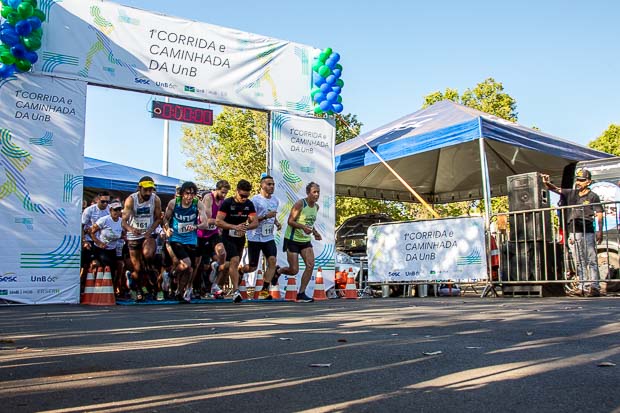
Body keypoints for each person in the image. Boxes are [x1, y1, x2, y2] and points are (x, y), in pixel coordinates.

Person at [543, 169, 604, 296]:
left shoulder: (593, 196)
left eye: (582, 180)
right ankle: (583, 286)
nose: (578, 183)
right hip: (574, 231)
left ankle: (595, 286)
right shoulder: (572, 194)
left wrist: (599, 230)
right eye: (578, 180)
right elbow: (556, 189)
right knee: (579, 260)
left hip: (588, 230)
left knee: (591, 259)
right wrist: (546, 182)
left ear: (588, 182)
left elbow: (599, 213)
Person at [163, 181, 211, 303]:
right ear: (182, 194)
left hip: (191, 239)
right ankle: (171, 275)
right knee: (187, 263)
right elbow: (165, 219)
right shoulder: (174, 203)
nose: (189, 197)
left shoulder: (198, 204)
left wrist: (196, 226)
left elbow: (205, 223)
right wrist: (167, 229)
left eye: (192, 194)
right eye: (187, 193)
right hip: (176, 238)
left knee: (189, 270)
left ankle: (179, 291)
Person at [276, 181, 322, 303]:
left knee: (310, 264)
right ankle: (278, 271)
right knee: (294, 270)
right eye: (314, 192)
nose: (317, 195)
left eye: (318, 192)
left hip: (305, 241)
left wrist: (315, 232)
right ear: (308, 193)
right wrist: (302, 227)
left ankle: (301, 293)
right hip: (292, 240)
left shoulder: (316, 207)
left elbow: (310, 223)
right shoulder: (300, 204)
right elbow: (290, 221)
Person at [215, 179, 259, 303]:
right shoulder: (227, 203)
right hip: (227, 237)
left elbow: (254, 222)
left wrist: (245, 227)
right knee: (234, 261)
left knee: (229, 265)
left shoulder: (249, 204)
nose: (244, 198)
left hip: (240, 238)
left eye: (247, 195)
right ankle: (236, 291)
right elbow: (218, 221)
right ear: (237, 191)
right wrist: (234, 227)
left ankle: (216, 283)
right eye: (242, 195)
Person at [240, 174, 282, 299]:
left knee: (272, 261)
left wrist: (276, 222)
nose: (271, 186)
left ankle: (264, 290)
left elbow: (272, 215)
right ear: (262, 185)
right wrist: (265, 217)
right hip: (255, 236)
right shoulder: (255, 200)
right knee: (253, 267)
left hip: (268, 236)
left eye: (273, 184)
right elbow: (250, 219)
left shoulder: (275, 200)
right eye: (269, 184)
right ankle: (241, 270)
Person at [122, 176, 162, 301]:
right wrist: (131, 229)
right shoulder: (131, 200)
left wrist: (150, 231)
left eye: (151, 190)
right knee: (137, 268)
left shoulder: (155, 199)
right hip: (134, 235)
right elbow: (123, 221)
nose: (148, 193)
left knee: (148, 254)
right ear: (140, 188)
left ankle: (157, 288)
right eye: (146, 190)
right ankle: (138, 289)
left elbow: (158, 218)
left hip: (148, 234)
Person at [197, 180, 230, 298]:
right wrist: (221, 222)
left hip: (214, 233)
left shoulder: (223, 202)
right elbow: (206, 220)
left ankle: (215, 284)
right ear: (216, 189)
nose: (224, 195)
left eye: (226, 193)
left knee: (223, 254)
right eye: (222, 192)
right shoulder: (208, 198)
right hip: (202, 234)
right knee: (203, 265)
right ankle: (201, 288)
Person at [89, 201, 124, 292]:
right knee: (104, 266)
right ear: (110, 210)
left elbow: (123, 234)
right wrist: (99, 242)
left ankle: (109, 291)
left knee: (114, 269)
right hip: (100, 248)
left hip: (112, 249)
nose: (117, 212)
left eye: (119, 210)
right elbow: (91, 232)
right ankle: (96, 289)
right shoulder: (104, 220)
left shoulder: (122, 221)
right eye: (115, 210)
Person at [81, 191, 111, 285]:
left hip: (103, 242)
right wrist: (84, 241)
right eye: (103, 201)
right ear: (98, 199)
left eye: (107, 202)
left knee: (103, 264)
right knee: (88, 264)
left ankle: (97, 286)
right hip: (90, 241)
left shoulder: (110, 210)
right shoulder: (89, 210)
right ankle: (82, 284)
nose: (105, 204)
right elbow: (81, 226)